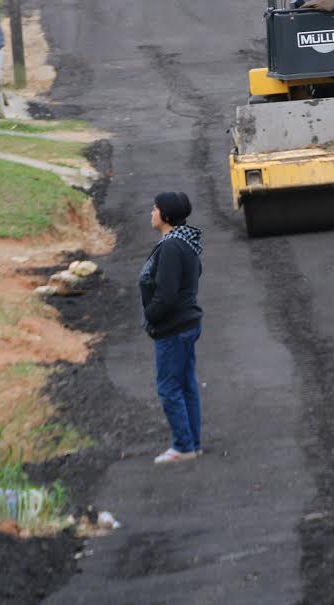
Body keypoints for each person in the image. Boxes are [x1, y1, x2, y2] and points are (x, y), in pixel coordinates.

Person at [140, 191, 204, 465]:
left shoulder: (170, 247)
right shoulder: (185, 242)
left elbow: (166, 294)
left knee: (169, 388)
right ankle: (192, 444)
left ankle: (182, 446)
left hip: (173, 327)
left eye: (154, 209)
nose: (151, 213)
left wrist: (151, 317)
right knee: (186, 385)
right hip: (187, 323)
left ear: (165, 216)